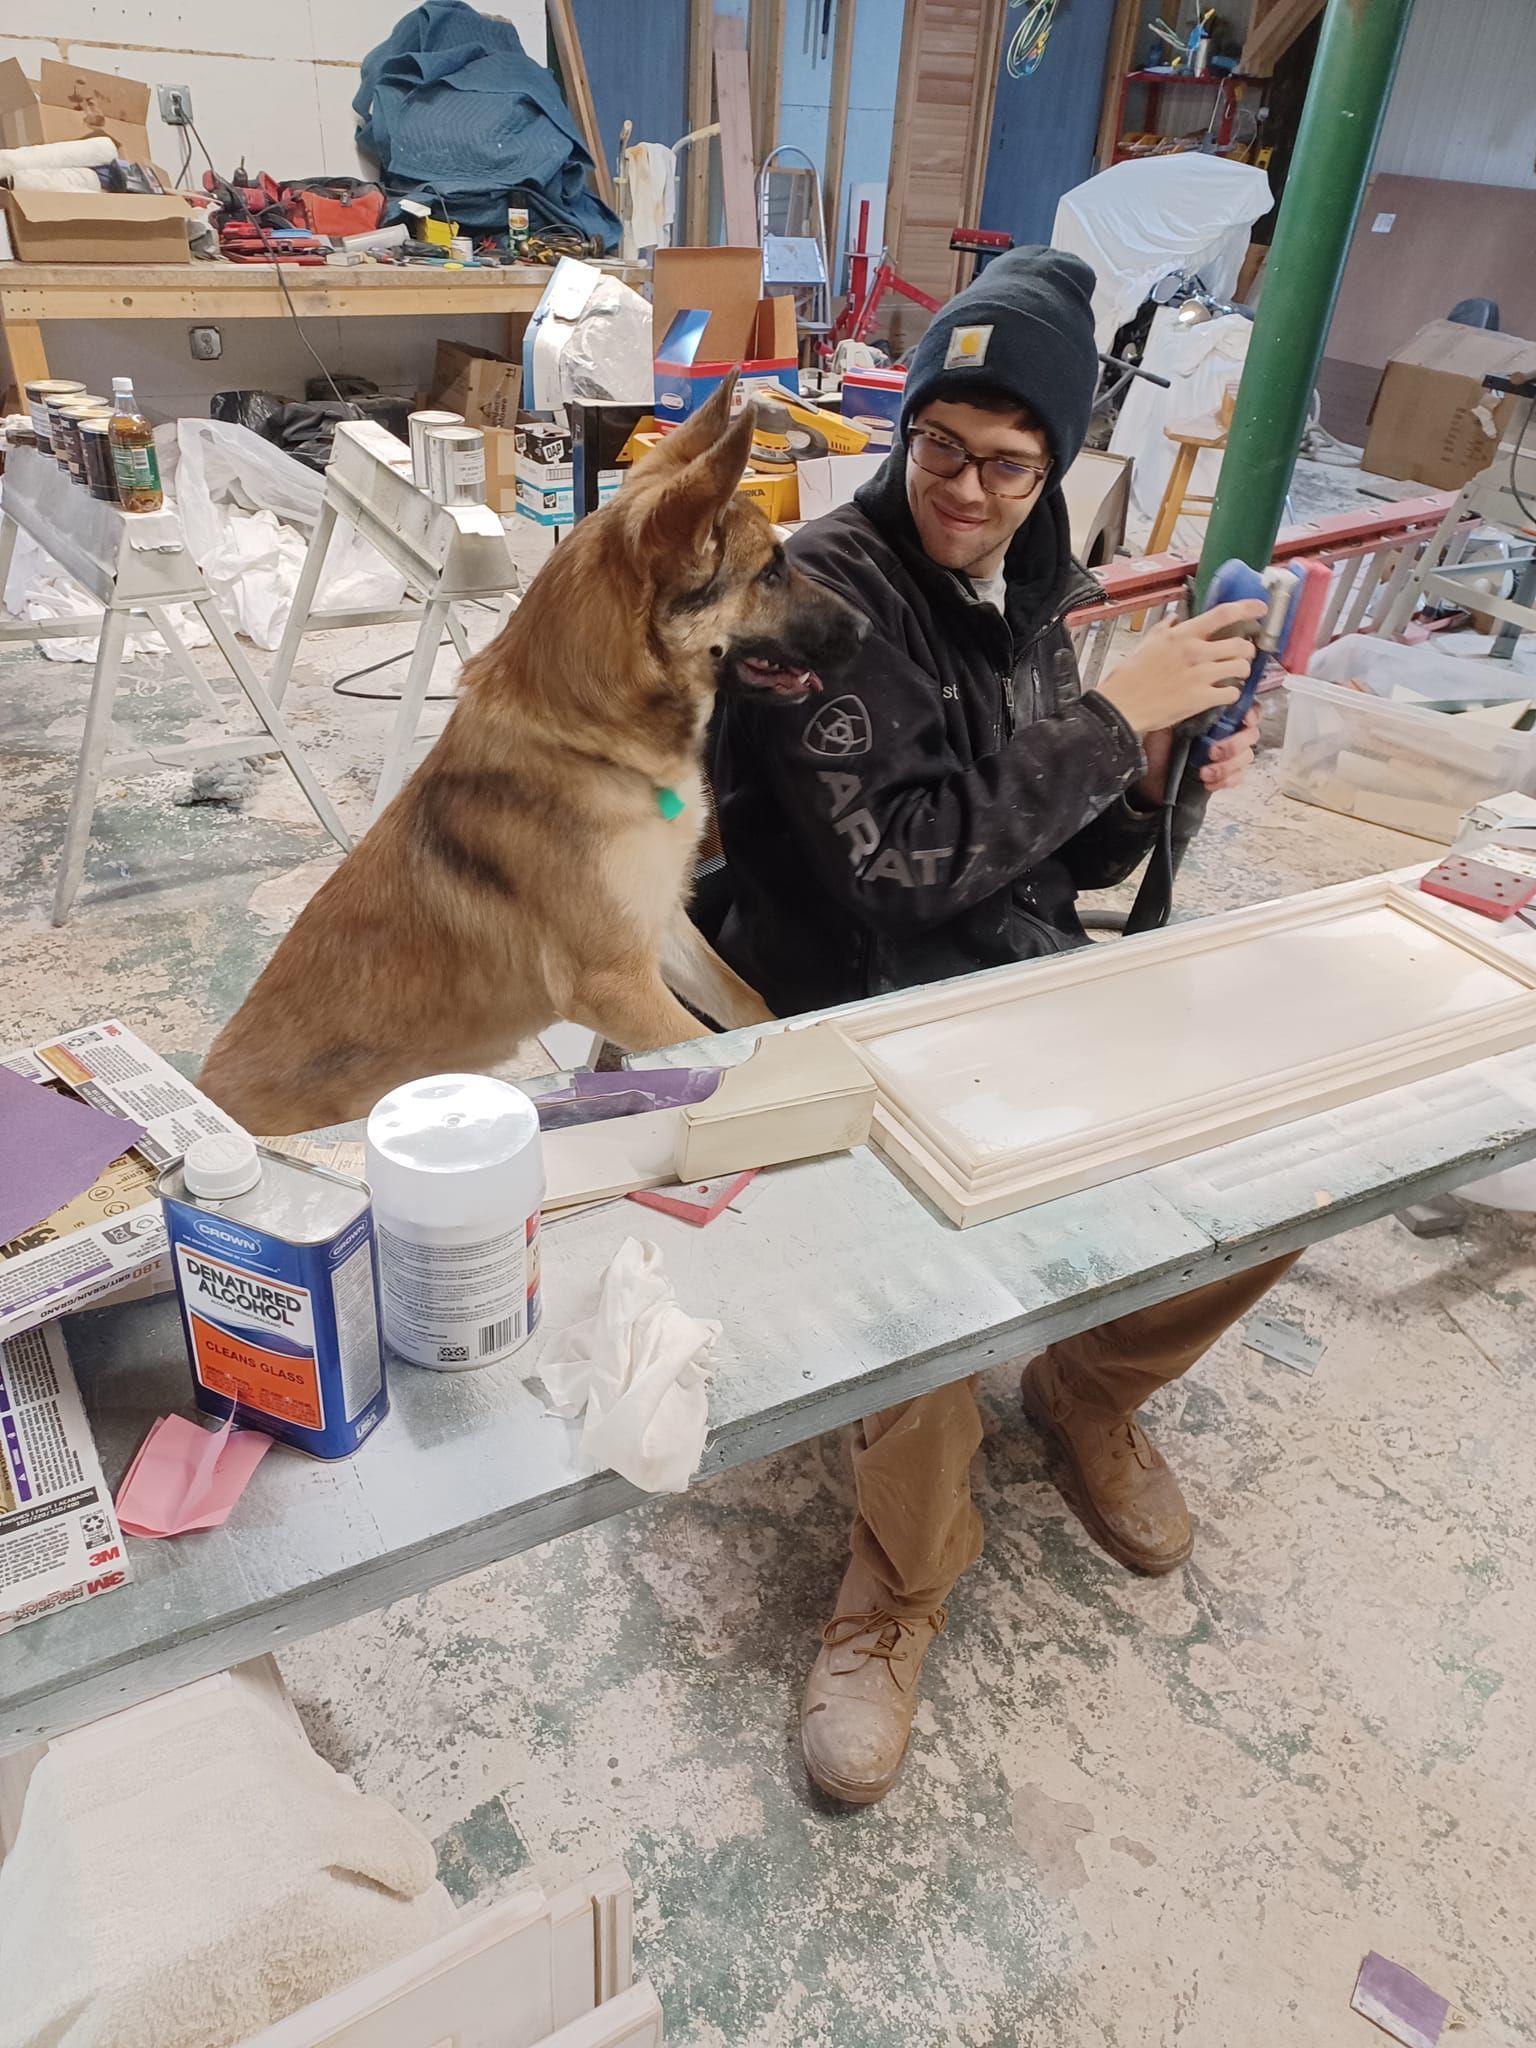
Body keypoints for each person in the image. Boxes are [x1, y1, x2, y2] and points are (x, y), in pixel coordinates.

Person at [709, 245, 1297, 1806]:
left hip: (1003, 967)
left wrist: (1154, 763)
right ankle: (899, 1578)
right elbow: (895, 873)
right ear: (906, 432)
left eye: (1007, 464)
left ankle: (1091, 1384)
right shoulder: (810, 599)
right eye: (940, 448)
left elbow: (1071, 853)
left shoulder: (1031, 589)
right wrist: (1115, 716)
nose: (966, 491)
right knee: (922, 1270)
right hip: (843, 992)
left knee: (1300, 1132)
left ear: (1055, 467)